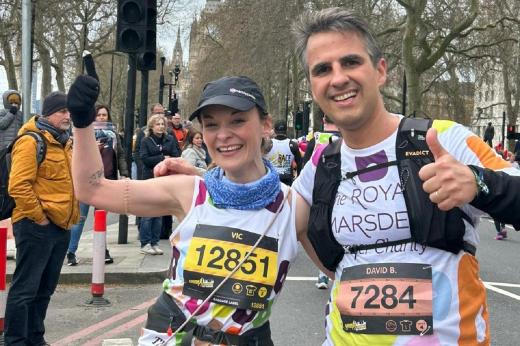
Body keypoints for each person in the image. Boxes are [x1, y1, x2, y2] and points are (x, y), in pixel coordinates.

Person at [290, 8, 520, 345]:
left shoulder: (443, 138)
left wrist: (477, 183)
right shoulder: (323, 162)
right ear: (313, 86)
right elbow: (284, 222)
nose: (337, 78)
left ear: (380, 71)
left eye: (350, 62)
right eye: (322, 69)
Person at [68, 74, 325, 346]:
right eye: (212, 125)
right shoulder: (190, 192)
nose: (224, 135)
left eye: (238, 120)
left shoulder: (293, 207)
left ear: (265, 125)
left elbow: (346, 271)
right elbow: (92, 189)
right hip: (172, 335)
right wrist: (82, 123)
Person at [5, 91, 79, 345]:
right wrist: (40, 218)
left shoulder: (66, 141)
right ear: (48, 113)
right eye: (62, 111)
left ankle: (36, 338)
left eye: (69, 111)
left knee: (44, 290)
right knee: (25, 289)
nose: (67, 116)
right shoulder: (31, 141)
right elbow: (18, 186)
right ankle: (15, 340)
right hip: (35, 225)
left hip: (61, 226)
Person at [66, 104, 129, 265]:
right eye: (99, 115)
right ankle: (71, 252)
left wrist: (124, 173)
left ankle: (102, 250)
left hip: (106, 180)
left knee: (101, 219)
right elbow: (76, 155)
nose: (102, 118)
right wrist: (93, 147)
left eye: (104, 115)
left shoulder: (113, 134)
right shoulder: (85, 134)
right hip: (87, 181)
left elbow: (120, 155)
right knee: (80, 218)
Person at [301, 114, 341, 289]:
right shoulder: (348, 139)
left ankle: (324, 275)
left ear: (324, 121)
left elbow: (305, 164)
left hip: (322, 194)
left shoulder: (317, 140)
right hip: (344, 193)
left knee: (324, 235)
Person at [139, 114, 180, 254]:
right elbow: (145, 159)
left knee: (159, 212)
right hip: (150, 178)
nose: (161, 127)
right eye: (158, 124)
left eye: (162, 124)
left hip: (165, 178)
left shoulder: (170, 139)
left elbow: (176, 154)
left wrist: (168, 159)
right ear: (152, 126)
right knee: (148, 212)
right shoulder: (146, 141)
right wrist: (163, 157)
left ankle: (155, 242)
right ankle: (145, 243)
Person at [264, 120, 302, 185]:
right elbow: (299, 163)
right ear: (286, 130)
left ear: (274, 130)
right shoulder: (293, 145)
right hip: (287, 180)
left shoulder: (268, 144)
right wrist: (298, 178)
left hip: (271, 179)